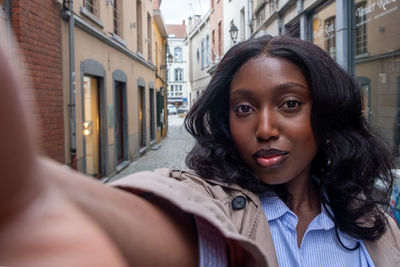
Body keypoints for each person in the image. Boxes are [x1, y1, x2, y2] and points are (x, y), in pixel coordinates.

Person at [1, 32, 399, 266]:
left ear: (326, 114)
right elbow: (157, 221)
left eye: (289, 104)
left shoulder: (371, 219)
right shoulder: (218, 208)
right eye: (244, 109)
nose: (263, 128)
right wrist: (31, 188)